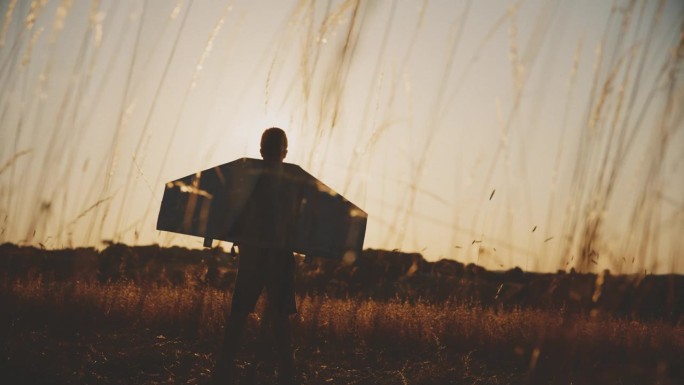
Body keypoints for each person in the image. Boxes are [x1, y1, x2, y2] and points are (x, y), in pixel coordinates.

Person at [213, 127, 299, 385]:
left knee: (241, 316)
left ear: (262, 150)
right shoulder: (294, 183)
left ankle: (224, 370)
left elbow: (231, 216)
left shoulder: (245, 178)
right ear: (285, 151)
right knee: (277, 318)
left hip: (256, 258)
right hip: (276, 259)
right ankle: (286, 373)